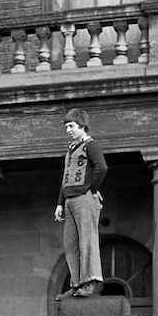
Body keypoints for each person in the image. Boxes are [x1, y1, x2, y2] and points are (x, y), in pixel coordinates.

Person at [54, 108, 108, 300]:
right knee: (71, 244)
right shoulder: (70, 149)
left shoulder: (90, 145)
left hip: (84, 199)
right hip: (69, 200)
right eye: (67, 126)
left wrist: (91, 190)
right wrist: (60, 203)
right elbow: (65, 178)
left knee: (87, 240)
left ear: (82, 126)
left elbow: (102, 168)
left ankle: (91, 280)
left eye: (71, 126)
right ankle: (76, 283)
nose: (68, 130)